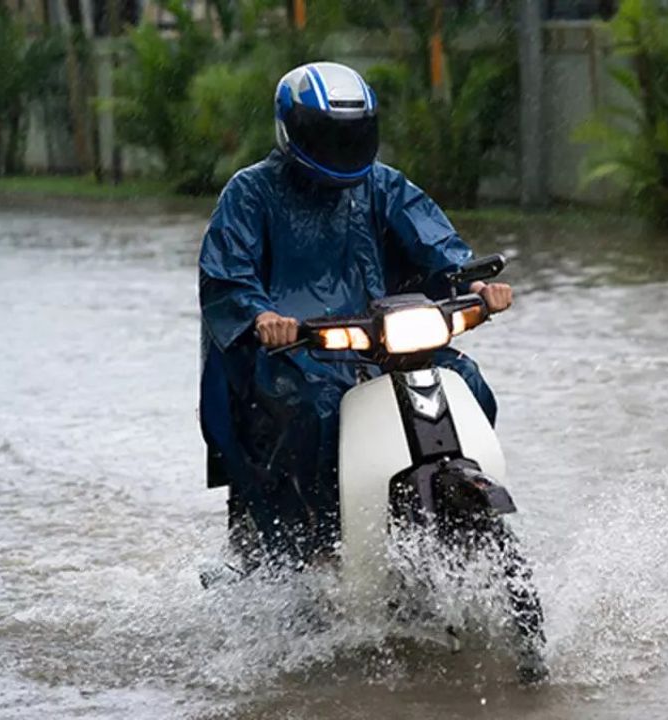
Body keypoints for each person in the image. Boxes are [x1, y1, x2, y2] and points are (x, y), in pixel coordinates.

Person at [197, 62, 514, 566]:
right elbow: (228, 274)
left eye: (351, 135)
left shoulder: (384, 187)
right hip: (297, 351)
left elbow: (436, 243)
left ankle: (463, 496)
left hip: (383, 341)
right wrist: (262, 317)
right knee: (317, 407)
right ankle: (317, 538)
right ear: (292, 129)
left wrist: (473, 284)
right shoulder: (250, 193)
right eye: (327, 135)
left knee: (466, 380)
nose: (341, 147)